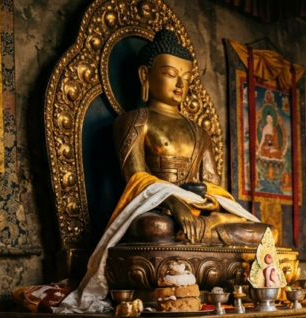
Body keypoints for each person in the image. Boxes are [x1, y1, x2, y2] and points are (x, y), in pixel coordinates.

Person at [113, 29, 269, 246]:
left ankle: (206, 228)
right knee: (155, 229)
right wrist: (174, 204)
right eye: (170, 74)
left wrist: (210, 206)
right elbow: (136, 178)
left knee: (266, 234)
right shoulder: (136, 120)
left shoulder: (199, 132)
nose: (180, 84)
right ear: (144, 75)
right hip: (159, 210)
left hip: (199, 211)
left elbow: (213, 186)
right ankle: (202, 233)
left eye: (186, 78)